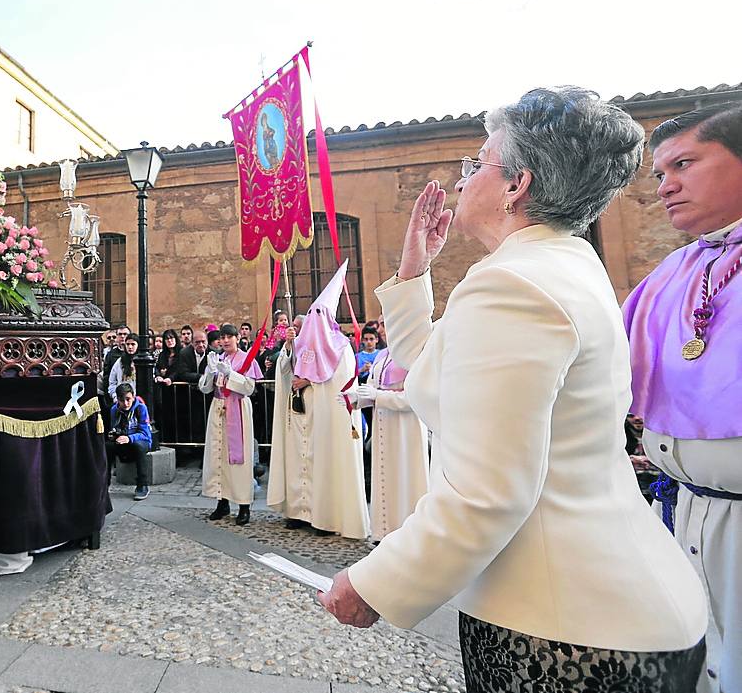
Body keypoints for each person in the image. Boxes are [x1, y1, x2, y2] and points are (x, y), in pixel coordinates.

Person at [317, 88, 706, 692]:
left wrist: (378, 582)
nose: (465, 176)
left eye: (479, 162)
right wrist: (415, 270)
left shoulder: (514, 287)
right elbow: (437, 379)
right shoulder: (560, 266)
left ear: (515, 184)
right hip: (607, 606)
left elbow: (487, 493)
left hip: (567, 623)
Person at [623, 101, 742, 692]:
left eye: (684, 165)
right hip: (682, 511)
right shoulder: (670, 272)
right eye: (659, 174)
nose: (665, 187)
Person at [268, 266, 370, 539]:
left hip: (325, 418)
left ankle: (324, 516)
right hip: (301, 415)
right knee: (300, 460)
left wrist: (311, 382)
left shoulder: (341, 347)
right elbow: (286, 370)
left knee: (323, 462)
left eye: (318, 314)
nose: (313, 319)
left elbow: (342, 382)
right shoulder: (301, 343)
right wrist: (289, 348)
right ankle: (299, 512)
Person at [355, 344, 429, 541]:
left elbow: (414, 397)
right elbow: (372, 384)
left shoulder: (417, 353)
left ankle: (405, 533)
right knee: (385, 476)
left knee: (405, 477)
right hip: (383, 424)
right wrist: (358, 398)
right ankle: (383, 531)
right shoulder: (382, 355)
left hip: (405, 428)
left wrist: (378, 396)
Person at [199, 324, 262, 525]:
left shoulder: (246, 359)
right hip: (218, 408)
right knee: (218, 455)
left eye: (229, 337)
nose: (225, 341)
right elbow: (205, 388)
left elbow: (250, 387)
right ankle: (222, 500)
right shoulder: (219, 360)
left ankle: (243, 505)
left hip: (238, 408)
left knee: (239, 458)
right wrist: (209, 372)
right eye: (222, 338)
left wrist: (231, 375)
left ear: (237, 338)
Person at [107, 383, 153, 501]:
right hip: (123, 440)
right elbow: (113, 428)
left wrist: (130, 438)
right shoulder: (114, 410)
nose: (125, 404)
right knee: (107, 447)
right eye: (122, 400)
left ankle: (142, 485)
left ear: (133, 397)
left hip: (140, 441)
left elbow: (145, 434)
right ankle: (104, 483)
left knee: (138, 446)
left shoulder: (141, 408)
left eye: (128, 399)